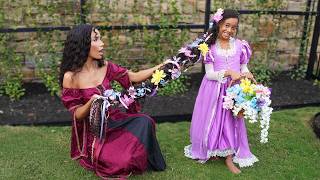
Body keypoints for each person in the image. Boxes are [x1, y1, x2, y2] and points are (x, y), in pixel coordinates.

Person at [60, 24, 166, 179]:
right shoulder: (71, 77)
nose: (102, 43)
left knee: (145, 121)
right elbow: (77, 114)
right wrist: (92, 103)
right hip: (97, 131)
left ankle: (131, 152)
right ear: (82, 44)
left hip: (117, 121)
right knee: (122, 162)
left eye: (100, 38)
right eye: (96, 39)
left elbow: (134, 77)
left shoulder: (106, 67)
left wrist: (163, 66)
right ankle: (123, 153)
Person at [184, 9, 258, 174]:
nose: (229, 30)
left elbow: (243, 66)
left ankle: (230, 156)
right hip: (214, 89)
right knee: (213, 120)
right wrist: (227, 72)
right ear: (218, 24)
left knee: (231, 121)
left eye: (233, 27)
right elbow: (210, 73)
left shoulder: (240, 46)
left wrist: (246, 72)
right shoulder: (209, 47)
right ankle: (213, 148)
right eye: (226, 25)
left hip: (234, 89)